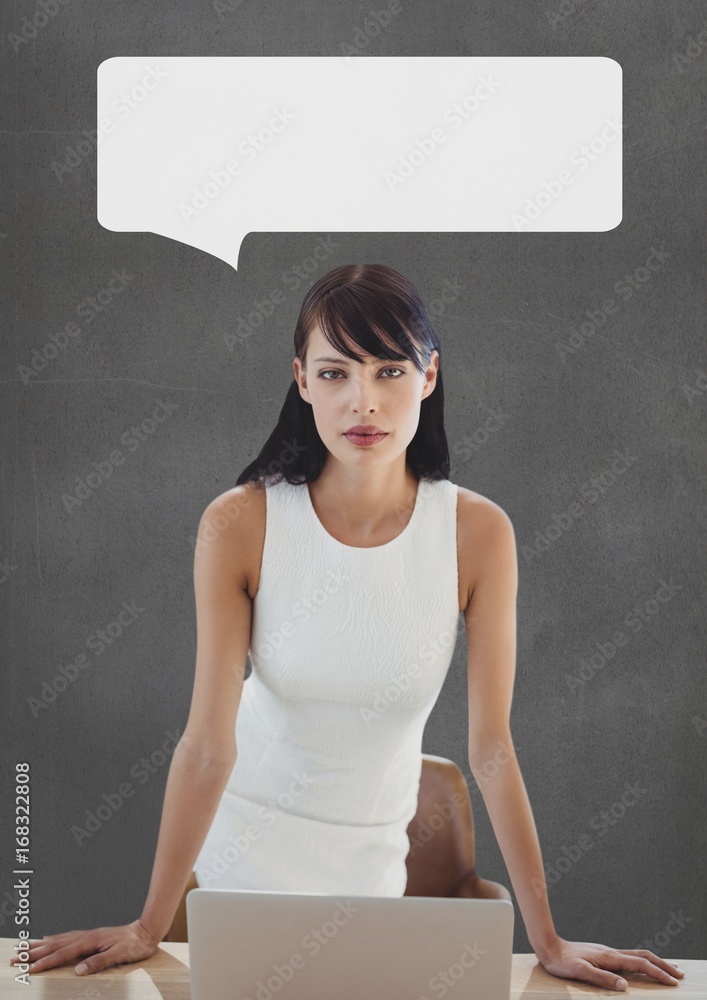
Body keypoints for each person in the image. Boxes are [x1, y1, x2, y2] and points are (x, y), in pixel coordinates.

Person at [11, 265, 685, 992]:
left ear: (428, 376)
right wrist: (148, 924)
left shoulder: (477, 533)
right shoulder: (238, 523)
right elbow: (207, 744)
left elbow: (491, 748)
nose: (362, 401)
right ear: (301, 380)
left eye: (389, 369)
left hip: (370, 877)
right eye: (335, 373)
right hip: (232, 866)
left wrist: (547, 940)